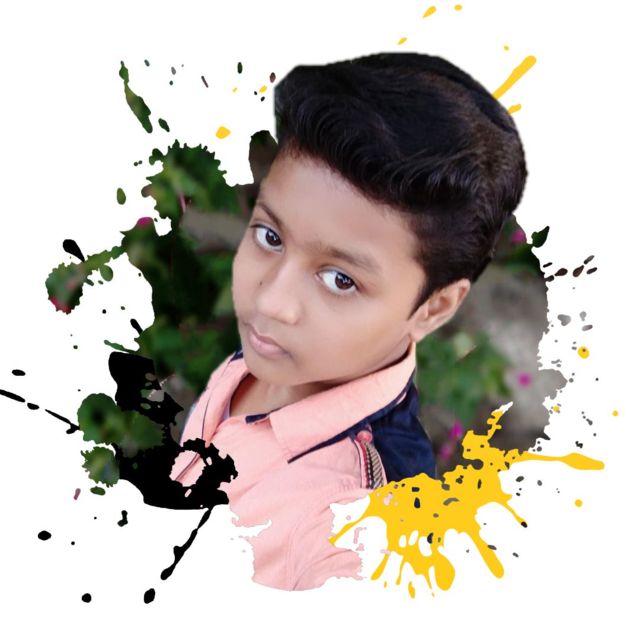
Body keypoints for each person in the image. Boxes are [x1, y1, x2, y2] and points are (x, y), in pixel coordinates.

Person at [169, 52, 527, 590]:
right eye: (270, 236)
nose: (272, 301)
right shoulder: (282, 355)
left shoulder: (357, 535)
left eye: (340, 280)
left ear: (434, 308)